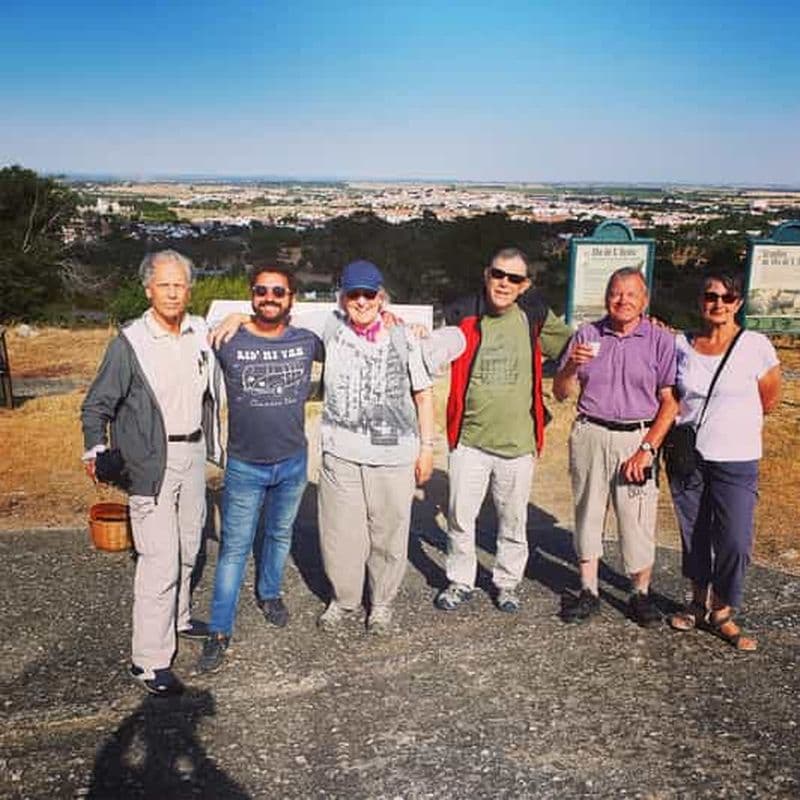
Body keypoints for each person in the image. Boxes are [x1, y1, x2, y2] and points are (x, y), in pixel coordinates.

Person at [81, 250, 222, 696]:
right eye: (164, 284)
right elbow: (95, 405)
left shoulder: (200, 331)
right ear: (148, 290)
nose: (173, 292)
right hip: (150, 466)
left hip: (193, 453)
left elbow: (244, 323)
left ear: (189, 288)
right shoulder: (130, 342)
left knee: (188, 545)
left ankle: (177, 619)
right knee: (158, 561)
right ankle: (148, 660)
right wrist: (96, 448)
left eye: (180, 284)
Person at [196, 266, 324, 673]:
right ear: (252, 295)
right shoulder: (228, 338)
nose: (270, 297)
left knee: (279, 533)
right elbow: (188, 328)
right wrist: (233, 318)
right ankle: (219, 630)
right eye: (261, 291)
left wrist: (396, 317)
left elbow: (352, 325)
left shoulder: (307, 339)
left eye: (279, 291)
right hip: (245, 465)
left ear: (292, 298)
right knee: (234, 548)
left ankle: (270, 593)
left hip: (292, 461)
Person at [435, 247, 572, 613]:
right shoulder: (463, 313)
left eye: (514, 278)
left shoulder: (534, 314)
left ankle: (506, 582)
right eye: (499, 274)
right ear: (487, 274)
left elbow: (573, 345)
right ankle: (460, 580)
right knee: (461, 517)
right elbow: (431, 348)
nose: (504, 283)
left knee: (513, 520)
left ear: (525, 285)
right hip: (470, 440)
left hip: (518, 442)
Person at [553, 267, 678, 626]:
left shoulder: (659, 340)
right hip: (591, 431)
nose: (622, 301)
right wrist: (569, 369)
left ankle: (639, 593)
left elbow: (670, 402)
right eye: (615, 293)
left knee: (637, 519)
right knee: (587, 512)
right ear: (606, 296)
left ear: (645, 300)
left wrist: (648, 448)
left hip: (636, 438)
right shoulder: (587, 335)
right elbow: (561, 394)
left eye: (631, 294)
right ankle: (588, 590)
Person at [317, 260, 435, 634]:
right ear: (343, 297)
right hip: (341, 452)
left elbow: (423, 394)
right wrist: (236, 319)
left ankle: (381, 603)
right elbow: (275, 317)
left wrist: (427, 448)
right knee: (339, 534)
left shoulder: (402, 337)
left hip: (393, 454)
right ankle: (344, 599)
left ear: (381, 297)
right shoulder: (331, 327)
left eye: (370, 294)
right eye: (354, 294)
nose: (362, 301)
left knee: (389, 532)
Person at [667, 270, 781, 651]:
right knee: (694, 534)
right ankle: (698, 603)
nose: (718, 304)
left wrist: (735, 425)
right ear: (701, 301)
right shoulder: (681, 344)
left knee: (734, 540)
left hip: (737, 457)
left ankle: (723, 610)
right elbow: (674, 397)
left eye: (726, 298)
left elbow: (769, 398)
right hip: (689, 456)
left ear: (738, 303)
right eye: (711, 296)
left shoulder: (756, 345)